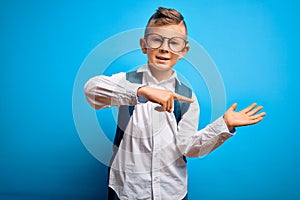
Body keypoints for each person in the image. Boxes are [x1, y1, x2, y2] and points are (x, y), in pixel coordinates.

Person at [84, 7, 266, 200]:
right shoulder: (128, 82)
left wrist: (224, 125)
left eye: (174, 42)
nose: (164, 48)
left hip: (173, 193)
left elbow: (189, 148)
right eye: (157, 40)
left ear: (183, 51)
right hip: (128, 191)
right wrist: (141, 91)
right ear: (144, 45)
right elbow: (91, 90)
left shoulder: (187, 98)